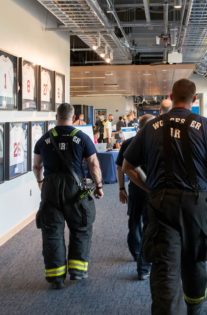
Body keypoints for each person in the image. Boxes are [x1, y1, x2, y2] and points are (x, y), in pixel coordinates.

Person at [123, 79, 207, 315]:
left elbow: (128, 167)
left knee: (164, 267)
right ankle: (195, 307)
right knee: (195, 259)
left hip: (161, 204)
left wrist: (150, 188)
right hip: (195, 204)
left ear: (171, 96)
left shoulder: (150, 127)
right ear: (194, 99)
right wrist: (204, 193)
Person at [33, 103, 104, 290]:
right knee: (81, 226)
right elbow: (93, 164)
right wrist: (98, 186)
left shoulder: (44, 138)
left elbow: (36, 166)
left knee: (51, 232)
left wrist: (41, 183)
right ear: (73, 118)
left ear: (56, 116)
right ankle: (78, 271)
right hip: (75, 188)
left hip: (50, 188)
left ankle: (55, 276)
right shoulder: (81, 137)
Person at [116, 114, 154, 280]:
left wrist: (121, 188)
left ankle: (136, 253)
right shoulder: (156, 143)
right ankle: (143, 265)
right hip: (151, 190)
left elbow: (120, 168)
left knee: (134, 221)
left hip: (135, 188)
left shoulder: (128, 143)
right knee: (148, 225)